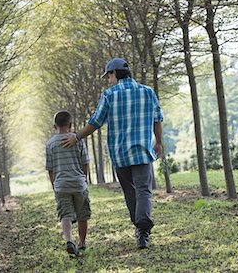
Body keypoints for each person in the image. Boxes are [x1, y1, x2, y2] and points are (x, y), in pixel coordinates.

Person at [62, 58, 163, 249]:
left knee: (130, 192)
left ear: (114, 74)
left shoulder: (109, 95)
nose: (108, 80)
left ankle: (139, 227)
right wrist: (159, 141)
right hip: (142, 151)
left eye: (108, 76)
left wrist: (77, 136)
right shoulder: (148, 92)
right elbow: (157, 119)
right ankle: (143, 230)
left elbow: (95, 122)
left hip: (120, 154)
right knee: (143, 191)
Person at [46, 110, 91, 256]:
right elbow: (85, 163)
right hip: (78, 183)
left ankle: (69, 241)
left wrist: (54, 185)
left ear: (55, 126)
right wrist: (83, 178)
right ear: (70, 125)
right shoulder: (78, 140)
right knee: (82, 214)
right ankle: (82, 243)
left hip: (61, 185)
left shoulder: (50, 144)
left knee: (65, 214)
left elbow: (50, 168)